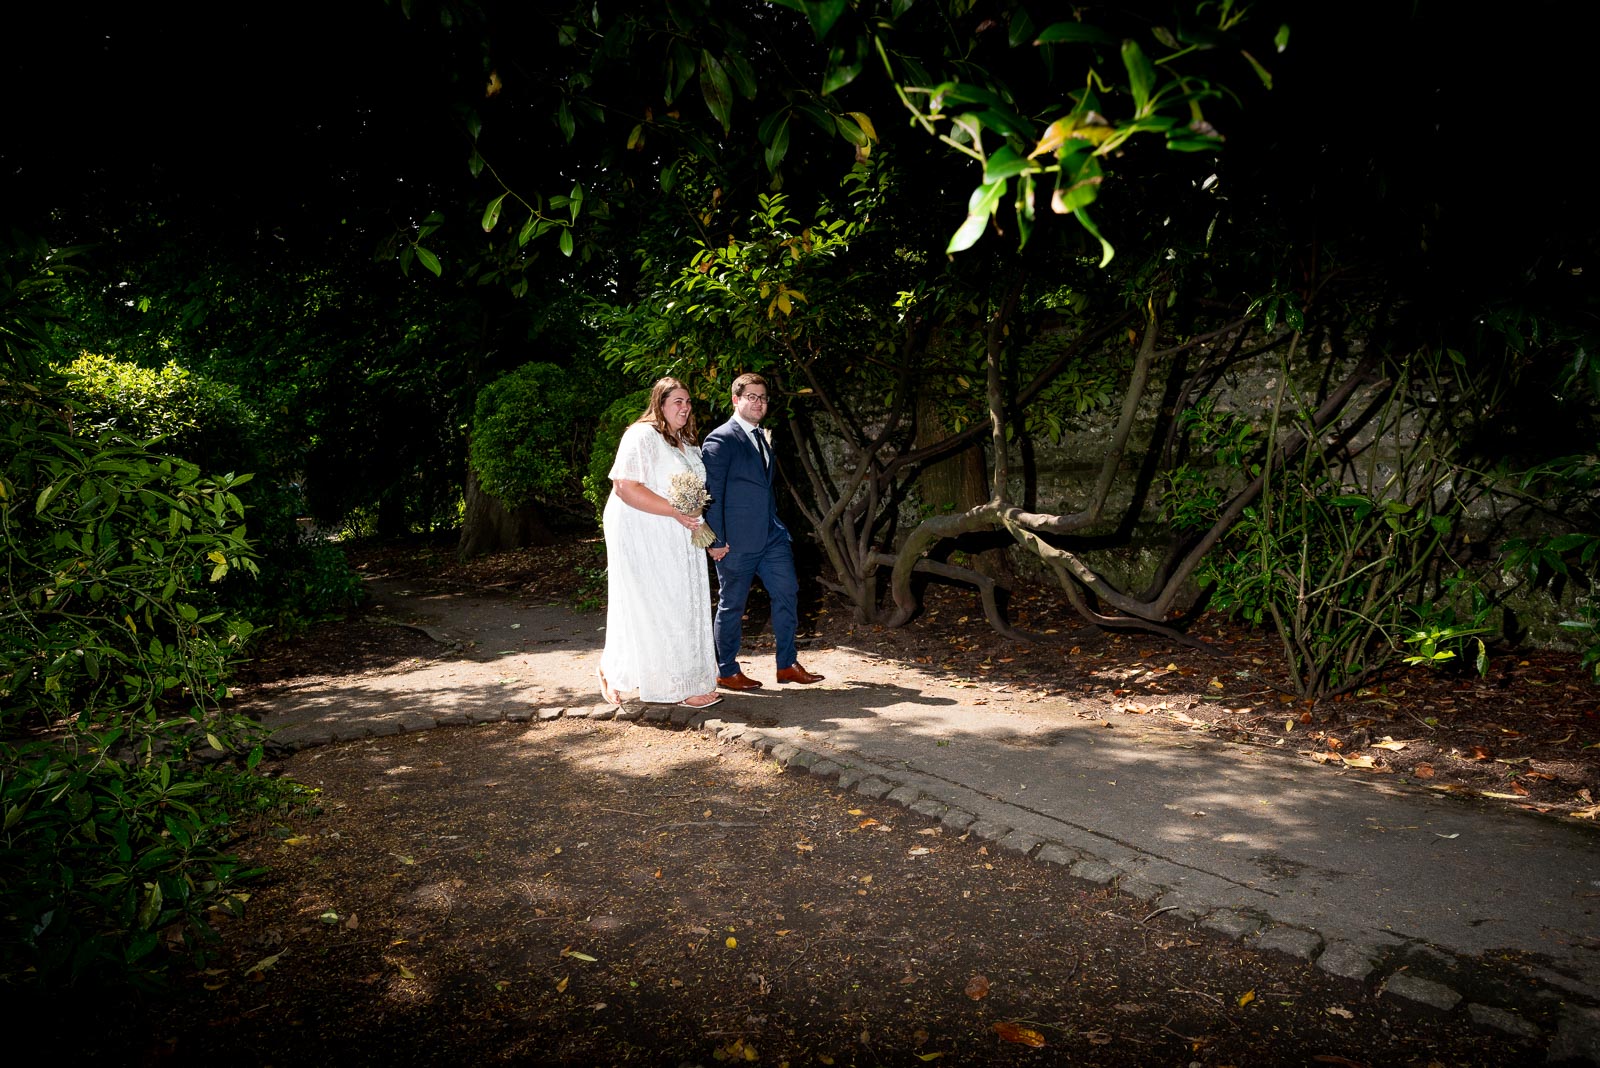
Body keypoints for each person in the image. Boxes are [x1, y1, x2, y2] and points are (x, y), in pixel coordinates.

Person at [598, 378, 723, 709]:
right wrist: (674, 511)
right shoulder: (641, 436)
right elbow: (625, 485)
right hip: (643, 529)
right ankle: (677, 685)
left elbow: (693, 499)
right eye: (677, 401)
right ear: (660, 403)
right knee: (661, 604)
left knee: (685, 602)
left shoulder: (687, 443)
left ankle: (629, 670)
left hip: (679, 532)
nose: (684, 407)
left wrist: (707, 534)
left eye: (688, 402)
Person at [701, 372, 825, 690]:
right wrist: (714, 540)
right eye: (752, 397)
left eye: (763, 398)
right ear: (736, 400)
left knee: (787, 591)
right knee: (733, 604)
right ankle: (726, 670)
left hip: (771, 536)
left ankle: (786, 665)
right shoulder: (720, 440)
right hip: (735, 541)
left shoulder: (761, 436)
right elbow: (711, 495)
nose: (759, 403)